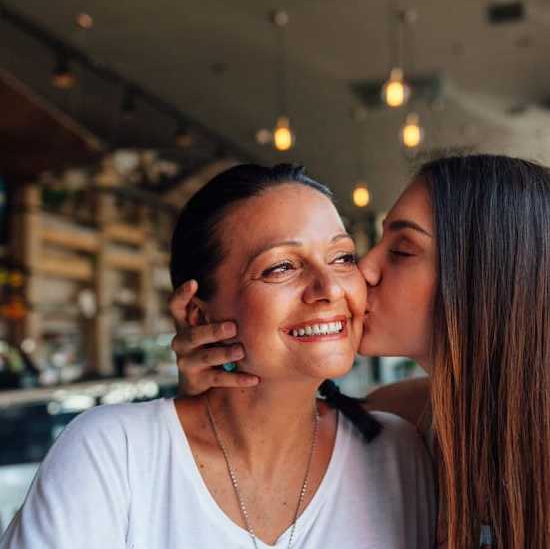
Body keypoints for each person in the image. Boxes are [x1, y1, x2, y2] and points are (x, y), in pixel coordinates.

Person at [0, 164, 435, 549]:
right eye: (281, 267)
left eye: (342, 258)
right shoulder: (117, 453)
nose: (329, 289)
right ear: (197, 313)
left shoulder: (397, 454)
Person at [170, 155, 550, 549]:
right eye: (355, 254)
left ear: (488, 277)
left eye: (402, 250)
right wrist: (210, 396)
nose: (363, 270)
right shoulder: (402, 419)